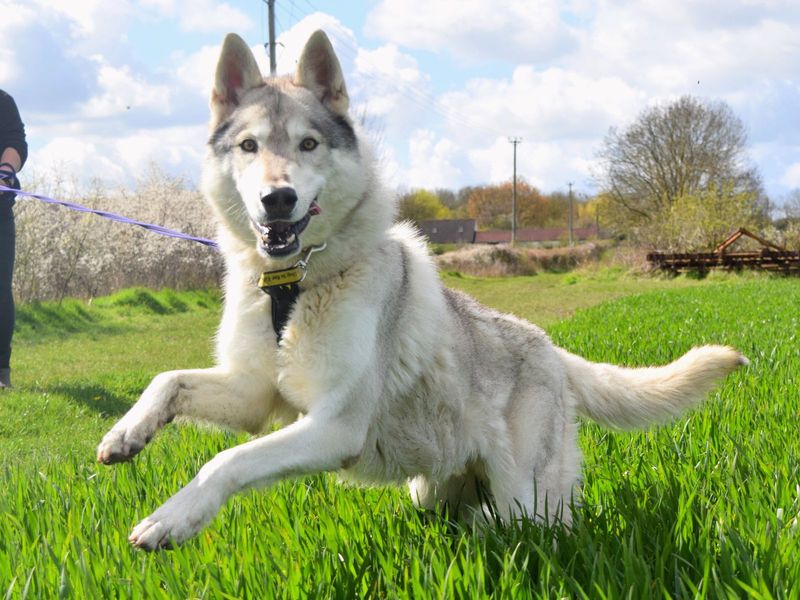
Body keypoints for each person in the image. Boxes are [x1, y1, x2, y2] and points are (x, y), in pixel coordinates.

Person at [0, 89, 27, 389]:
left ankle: (0, 373)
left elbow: (14, 143)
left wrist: (5, 174)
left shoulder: (3, 101)